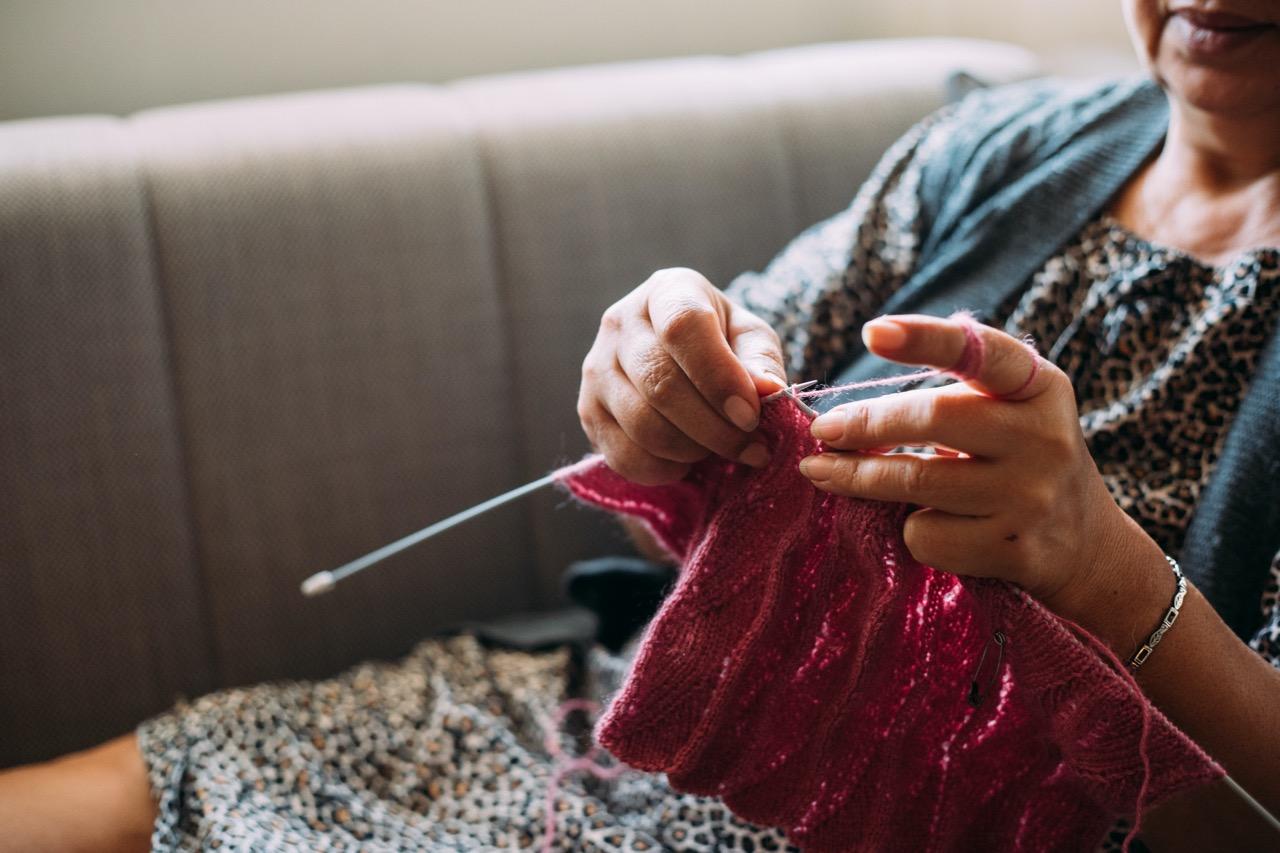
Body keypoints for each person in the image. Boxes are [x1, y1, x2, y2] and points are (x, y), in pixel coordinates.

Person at [2, 2, 1278, 850]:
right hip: (633, 715)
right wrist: (670, 371)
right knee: (169, 776)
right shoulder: (994, 146)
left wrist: (1100, 568)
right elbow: (740, 345)